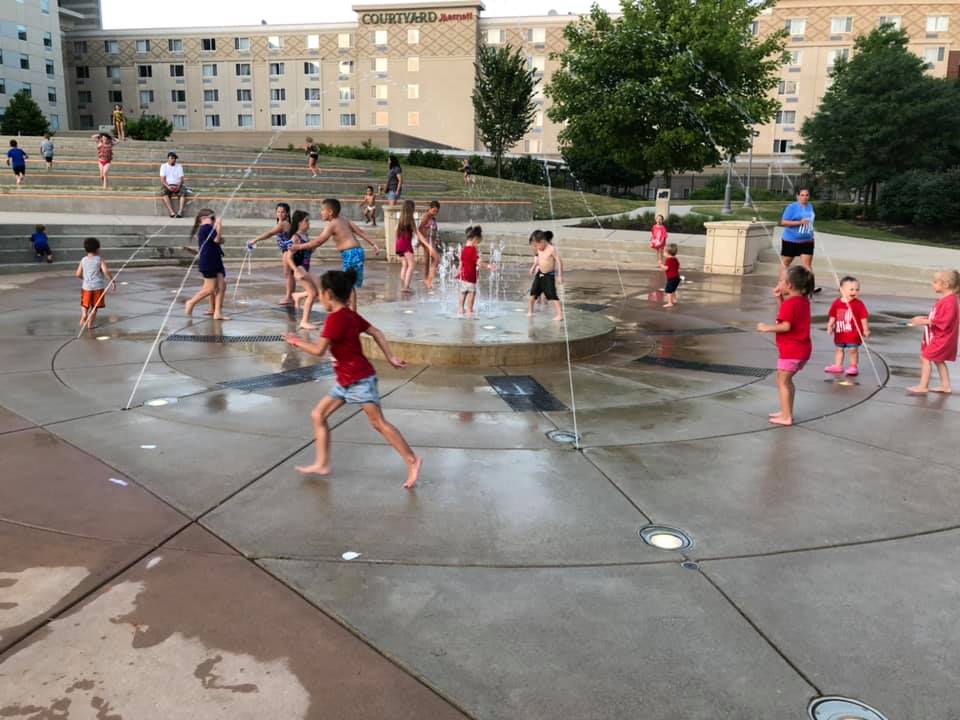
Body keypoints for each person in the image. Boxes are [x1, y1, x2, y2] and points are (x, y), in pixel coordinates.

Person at [284, 269, 422, 488]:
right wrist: (390, 357)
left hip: (359, 379)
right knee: (318, 414)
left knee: (378, 423)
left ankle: (412, 460)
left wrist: (296, 341)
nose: (320, 298)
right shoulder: (350, 314)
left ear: (328, 294)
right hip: (346, 379)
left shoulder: (335, 319)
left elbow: (319, 350)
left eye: (320, 294)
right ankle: (322, 463)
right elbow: (376, 332)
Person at [290, 198, 381, 312]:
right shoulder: (344, 220)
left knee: (348, 283)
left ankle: (353, 311)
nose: (321, 212)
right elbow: (360, 232)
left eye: (322, 210)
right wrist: (374, 244)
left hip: (351, 254)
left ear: (330, 212)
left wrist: (299, 247)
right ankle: (351, 309)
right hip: (357, 252)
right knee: (348, 282)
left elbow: (319, 241)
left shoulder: (332, 225)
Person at [757, 264, 815, 426]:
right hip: (802, 350)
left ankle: (786, 417)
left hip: (791, 350)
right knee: (787, 382)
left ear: (789, 285)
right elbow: (788, 316)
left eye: (781, 280)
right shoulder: (802, 301)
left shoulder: (791, 303)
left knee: (782, 382)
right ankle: (786, 411)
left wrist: (766, 328)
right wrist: (779, 299)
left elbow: (786, 326)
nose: (779, 283)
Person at [908, 269, 960, 395]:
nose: (933, 284)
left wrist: (924, 322)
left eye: (935, 282)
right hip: (942, 336)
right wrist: (924, 319)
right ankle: (946, 386)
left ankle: (923, 386)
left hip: (943, 337)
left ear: (945, 285)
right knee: (938, 359)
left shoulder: (950, 302)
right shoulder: (948, 300)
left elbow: (945, 321)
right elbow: (937, 317)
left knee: (925, 357)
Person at [184, 209, 228, 320]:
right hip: (209, 261)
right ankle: (191, 302)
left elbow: (216, 240)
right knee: (210, 289)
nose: (214, 220)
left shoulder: (206, 229)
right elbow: (217, 239)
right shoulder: (206, 227)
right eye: (212, 218)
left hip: (215, 260)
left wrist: (217, 229)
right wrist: (219, 225)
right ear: (203, 219)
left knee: (221, 286)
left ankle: (217, 312)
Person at [248, 202, 294, 306]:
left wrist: (255, 240)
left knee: (288, 275)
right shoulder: (282, 223)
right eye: (278, 211)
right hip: (286, 251)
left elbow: (269, 233)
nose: (280, 214)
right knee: (289, 274)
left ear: (287, 213)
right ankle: (290, 296)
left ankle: (289, 297)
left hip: (288, 251)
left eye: (283, 212)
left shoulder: (283, 224)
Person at [825, 276, 870, 376]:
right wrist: (830, 325)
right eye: (851, 289)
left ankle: (853, 366)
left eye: (857, 289)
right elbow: (833, 315)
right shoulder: (837, 302)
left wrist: (865, 329)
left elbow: (863, 317)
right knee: (839, 349)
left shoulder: (859, 304)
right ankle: (838, 365)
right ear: (842, 290)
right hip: (840, 332)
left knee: (853, 350)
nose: (855, 292)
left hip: (853, 333)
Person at [778, 188, 820, 294]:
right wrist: (800, 222)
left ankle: (810, 287)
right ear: (797, 196)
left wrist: (811, 232)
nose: (804, 197)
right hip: (791, 240)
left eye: (806, 195)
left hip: (807, 240)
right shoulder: (792, 207)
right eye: (802, 195)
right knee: (786, 263)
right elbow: (783, 222)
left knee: (808, 265)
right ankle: (782, 285)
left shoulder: (810, 206)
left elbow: (810, 222)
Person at [286, 210, 321, 330]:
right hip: (300, 268)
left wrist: (313, 247)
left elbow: (307, 251)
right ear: (299, 223)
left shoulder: (305, 236)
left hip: (306, 268)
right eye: (306, 221)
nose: (309, 223)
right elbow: (288, 257)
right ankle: (304, 321)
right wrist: (295, 270)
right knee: (313, 293)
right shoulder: (295, 238)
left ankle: (298, 296)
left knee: (320, 289)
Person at [76, 237, 114, 330]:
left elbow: (77, 274)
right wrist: (112, 280)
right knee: (94, 307)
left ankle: (84, 314)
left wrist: (83, 279)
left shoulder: (83, 260)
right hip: (98, 287)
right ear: (97, 249)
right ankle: (90, 325)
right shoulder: (99, 259)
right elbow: (105, 271)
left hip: (86, 287)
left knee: (84, 304)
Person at [458, 225, 495, 317]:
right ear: (474, 239)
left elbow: (461, 262)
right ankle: (469, 309)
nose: (477, 244)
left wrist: (459, 272)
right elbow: (478, 262)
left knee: (463, 292)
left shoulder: (464, 249)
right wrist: (488, 266)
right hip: (470, 276)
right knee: (472, 293)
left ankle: (461, 308)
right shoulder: (472, 250)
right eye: (478, 242)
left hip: (463, 276)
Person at [527, 229, 564, 320]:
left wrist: (560, 276)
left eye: (537, 245)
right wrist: (533, 267)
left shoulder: (551, 249)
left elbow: (559, 262)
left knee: (552, 295)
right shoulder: (539, 249)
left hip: (549, 275)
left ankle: (560, 314)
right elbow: (539, 259)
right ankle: (530, 311)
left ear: (543, 241)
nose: (536, 247)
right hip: (539, 274)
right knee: (533, 293)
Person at [394, 199, 425, 293]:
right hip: (406, 245)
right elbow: (417, 233)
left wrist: (397, 242)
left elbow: (395, 231)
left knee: (405, 265)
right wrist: (424, 242)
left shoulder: (401, 220)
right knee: (412, 265)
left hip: (399, 244)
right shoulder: (410, 220)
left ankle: (403, 284)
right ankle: (406, 287)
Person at [418, 200, 442, 288]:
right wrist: (422, 240)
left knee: (429, 259)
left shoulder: (432, 217)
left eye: (437, 211)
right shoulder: (427, 216)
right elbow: (419, 228)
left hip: (431, 240)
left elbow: (434, 230)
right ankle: (428, 279)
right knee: (436, 259)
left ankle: (427, 279)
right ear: (430, 209)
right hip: (427, 240)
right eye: (434, 211)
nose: (435, 213)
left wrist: (436, 240)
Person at [160, 151, 186, 218]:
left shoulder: (179, 166)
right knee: (164, 193)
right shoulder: (163, 166)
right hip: (168, 185)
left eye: (175, 158)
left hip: (178, 185)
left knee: (183, 193)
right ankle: (172, 212)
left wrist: (179, 186)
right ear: (169, 158)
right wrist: (168, 186)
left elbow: (182, 179)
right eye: (172, 158)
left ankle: (180, 212)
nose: (174, 160)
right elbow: (162, 180)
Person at [659, 243, 681, 308]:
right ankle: (674, 299)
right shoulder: (675, 259)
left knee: (668, 291)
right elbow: (678, 266)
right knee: (673, 289)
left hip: (671, 278)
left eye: (664, 252)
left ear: (668, 253)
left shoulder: (668, 260)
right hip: (677, 277)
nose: (663, 253)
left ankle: (670, 302)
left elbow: (666, 268)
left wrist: (660, 265)